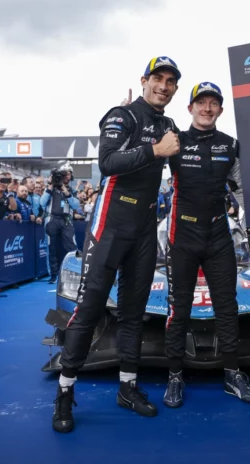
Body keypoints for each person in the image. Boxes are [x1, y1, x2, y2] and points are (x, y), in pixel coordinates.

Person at [52, 56, 181, 433]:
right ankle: (64, 392)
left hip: (145, 226)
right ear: (144, 80)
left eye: (170, 81)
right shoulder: (122, 115)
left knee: (133, 312)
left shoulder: (170, 126)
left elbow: (183, 168)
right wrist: (156, 151)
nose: (164, 86)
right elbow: (107, 162)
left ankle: (127, 387)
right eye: (158, 78)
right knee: (89, 308)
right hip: (111, 223)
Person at [162, 82, 250, 408]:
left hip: (218, 234)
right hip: (182, 236)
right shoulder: (175, 141)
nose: (207, 108)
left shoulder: (230, 144)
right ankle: (175, 375)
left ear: (220, 109)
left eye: (213, 103)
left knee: (227, 306)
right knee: (179, 308)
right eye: (201, 103)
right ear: (190, 108)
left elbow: (242, 190)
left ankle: (232, 373)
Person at [40, 167, 80, 283]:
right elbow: (42, 203)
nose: (65, 176)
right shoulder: (51, 188)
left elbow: (76, 206)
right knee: (50, 247)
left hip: (67, 220)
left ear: (71, 176)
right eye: (63, 174)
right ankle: (53, 275)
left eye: (68, 174)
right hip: (51, 219)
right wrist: (50, 186)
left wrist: (65, 191)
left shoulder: (72, 191)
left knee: (72, 247)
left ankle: (75, 272)